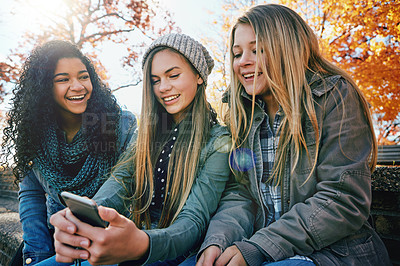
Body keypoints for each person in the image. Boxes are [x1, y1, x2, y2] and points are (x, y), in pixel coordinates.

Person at [196, 4, 391, 266]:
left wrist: (259, 247)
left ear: (288, 47)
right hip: (262, 248)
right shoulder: (242, 115)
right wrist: (218, 240)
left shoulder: (334, 98)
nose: (243, 61)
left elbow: (343, 200)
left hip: (334, 255)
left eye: (258, 50)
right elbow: (242, 195)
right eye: (237, 53)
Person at [47, 33, 231, 265]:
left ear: (199, 76)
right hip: (128, 236)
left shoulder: (220, 141)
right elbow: (121, 180)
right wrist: (90, 212)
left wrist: (142, 243)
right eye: (155, 80)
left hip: (171, 250)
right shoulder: (145, 133)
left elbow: (193, 220)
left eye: (173, 75)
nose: (163, 87)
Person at [0, 40, 137, 265]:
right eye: (63, 79)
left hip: (107, 235)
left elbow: (124, 185)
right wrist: (37, 254)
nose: (78, 86)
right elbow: (31, 195)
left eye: (83, 76)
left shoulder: (121, 125)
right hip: (55, 232)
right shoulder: (33, 135)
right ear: (45, 87)